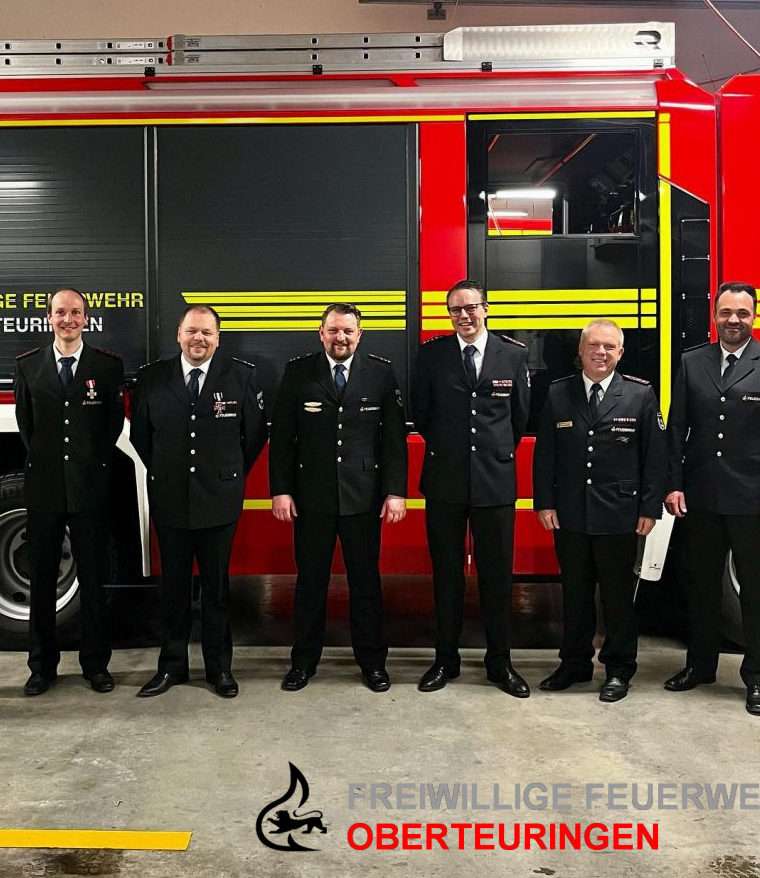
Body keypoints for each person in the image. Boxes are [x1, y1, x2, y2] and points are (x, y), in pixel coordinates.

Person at [664, 281, 760, 716]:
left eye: (742, 313)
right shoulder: (691, 361)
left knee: (758, 594)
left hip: (754, 501)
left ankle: (759, 679)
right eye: (726, 312)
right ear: (715, 316)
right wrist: (674, 484)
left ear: (754, 316)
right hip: (701, 496)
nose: (733, 320)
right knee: (701, 587)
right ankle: (700, 666)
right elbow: (677, 429)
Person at [130, 304, 267, 698]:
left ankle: (219, 670)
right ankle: (171, 668)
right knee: (173, 591)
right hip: (170, 498)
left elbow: (254, 436)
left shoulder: (240, 376)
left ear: (218, 339)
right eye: (191, 331)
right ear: (178, 335)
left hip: (218, 501)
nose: (198, 339)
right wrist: (168, 471)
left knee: (216, 592)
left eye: (207, 332)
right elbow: (141, 436)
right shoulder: (153, 378)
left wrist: (226, 474)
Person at [270, 302, 407, 692]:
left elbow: (393, 439)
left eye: (348, 331)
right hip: (311, 499)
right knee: (310, 584)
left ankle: (372, 663)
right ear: (321, 333)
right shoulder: (299, 372)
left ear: (359, 335)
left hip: (363, 499)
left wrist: (395, 492)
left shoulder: (380, 373)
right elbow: (283, 438)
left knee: (366, 584)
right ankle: (303, 663)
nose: (340, 337)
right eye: (333, 330)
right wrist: (281, 490)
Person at [532, 319, 666, 702]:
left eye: (609, 347)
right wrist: (545, 502)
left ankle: (619, 669)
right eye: (593, 345)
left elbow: (654, 458)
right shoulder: (558, 393)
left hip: (619, 514)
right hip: (570, 513)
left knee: (617, 597)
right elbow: (545, 454)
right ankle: (574, 664)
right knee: (574, 594)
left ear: (620, 353)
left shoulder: (639, 394)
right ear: (581, 350)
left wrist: (650, 508)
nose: (600, 353)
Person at [412, 280, 531, 696]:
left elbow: (519, 418)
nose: (464, 315)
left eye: (471, 307)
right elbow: (422, 414)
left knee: (497, 578)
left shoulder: (513, 355)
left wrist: (490, 456)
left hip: (495, 483)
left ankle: (500, 663)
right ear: (449, 314)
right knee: (446, 576)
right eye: (456, 309)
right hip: (444, 481)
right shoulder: (432, 355)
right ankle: (445, 660)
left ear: (486, 309)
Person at [14, 287, 125, 697]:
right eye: (61, 312)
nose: (68, 319)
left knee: (93, 580)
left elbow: (112, 426)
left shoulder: (106, 366)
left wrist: (85, 464)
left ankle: (96, 665)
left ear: (85, 318)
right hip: (44, 489)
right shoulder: (28, 366)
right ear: (49, 318)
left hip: (90, 487)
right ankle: (41, 667)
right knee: (42, 581)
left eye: (75, 312)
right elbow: (27, 426)